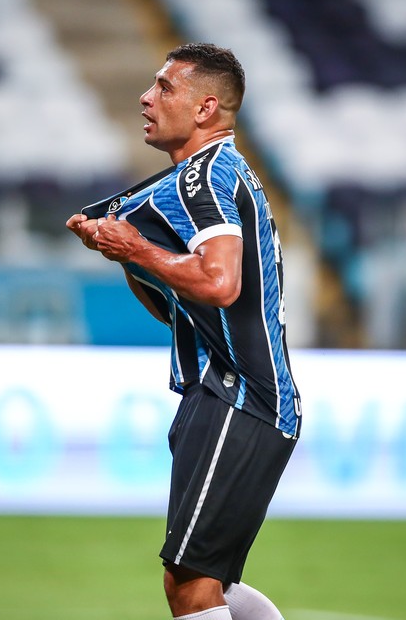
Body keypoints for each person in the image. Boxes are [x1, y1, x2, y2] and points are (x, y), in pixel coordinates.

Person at [66, 43, 301, 620]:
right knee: (209, 582)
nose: (147, 98)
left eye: (165, 87)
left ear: (205, 109)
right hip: (231, 395)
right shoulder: (203, 177)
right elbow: (177, 309)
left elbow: (220, 285)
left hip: (239, 395)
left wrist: (136, 245)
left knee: (190, 585)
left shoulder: (205, 178)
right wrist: (125, 254)